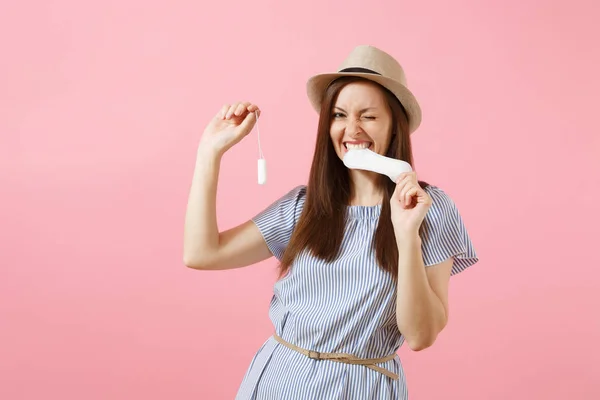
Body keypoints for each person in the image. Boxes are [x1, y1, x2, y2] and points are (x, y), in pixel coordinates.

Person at [183, 45, 479, 399]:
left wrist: (406, 234)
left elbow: (420, 335)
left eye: (368, 116)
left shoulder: (430, 210)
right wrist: (209, 152)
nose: (351, 129)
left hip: (362, 386)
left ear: (395, 127)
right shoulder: (303, 207)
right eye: (339, 115)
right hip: (280, 378)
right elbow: (202, 253)